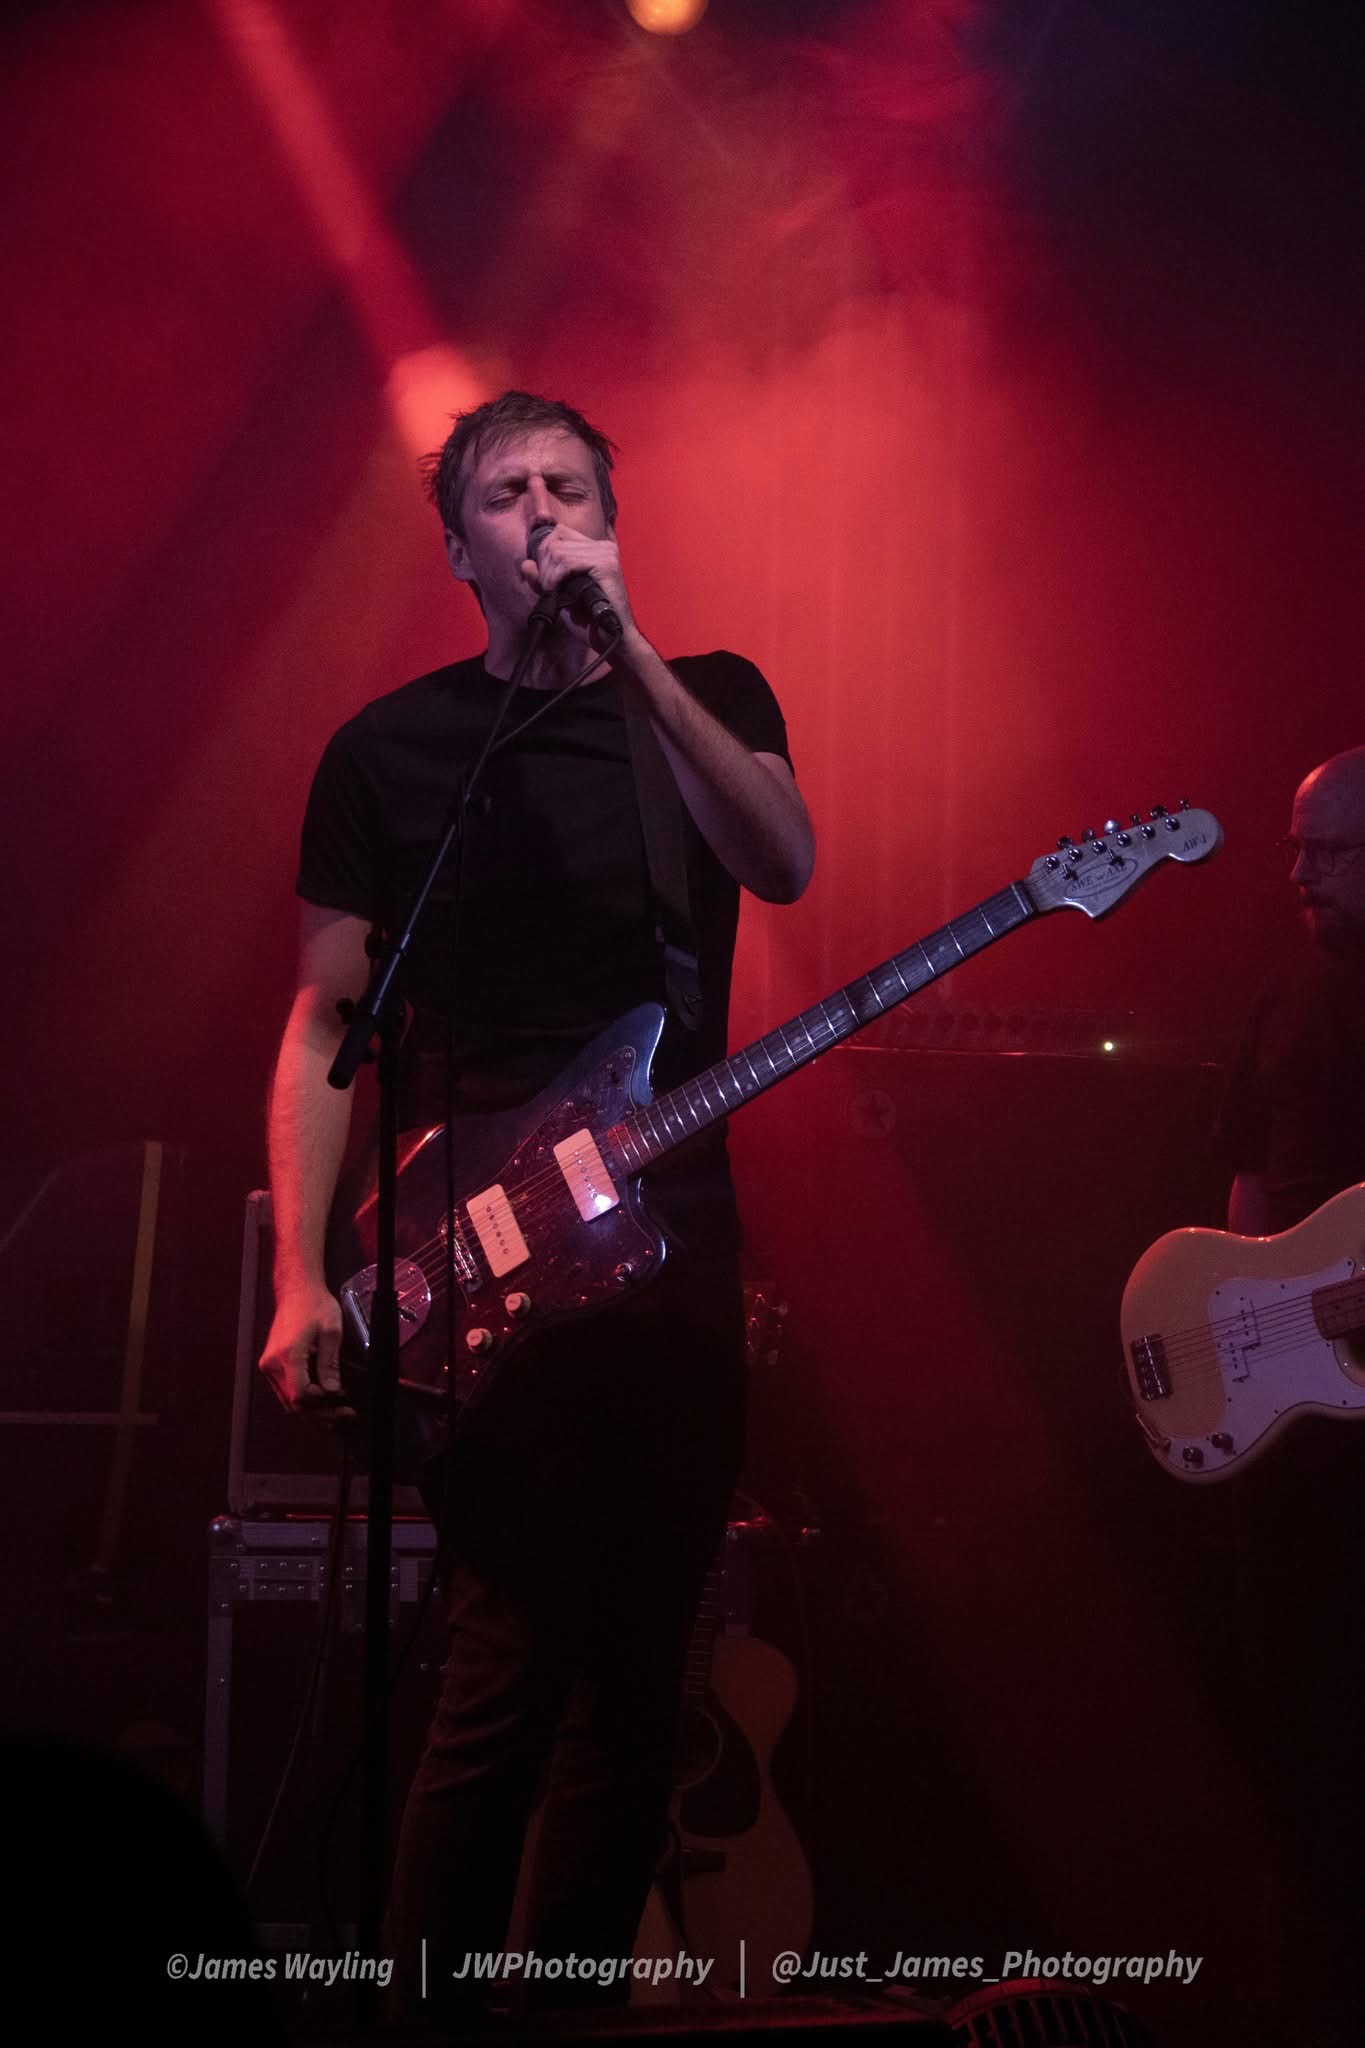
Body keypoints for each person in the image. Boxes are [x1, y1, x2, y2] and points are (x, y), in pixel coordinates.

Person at [256, 391, 814, 2017]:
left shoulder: (706, 696)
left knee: (640, 1681)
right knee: (502, 1658)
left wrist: (634, 652)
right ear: (459, 548)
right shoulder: (389, 751)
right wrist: (300, 1269)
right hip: (480, 1238)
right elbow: (322, 1024)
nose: (547, 510)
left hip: (669, 1230)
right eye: (509, 491)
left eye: (575, 486)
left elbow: (782, 857)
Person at [1221, 744, 1365, 1235]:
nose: (1299, 872)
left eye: (1327, 852)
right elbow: (1252, 1170)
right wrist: (1253, 1294)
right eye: (1296, 848)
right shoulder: (1286, 990)